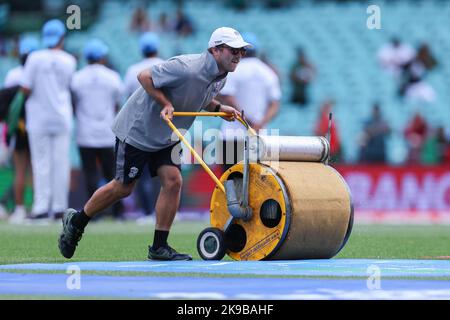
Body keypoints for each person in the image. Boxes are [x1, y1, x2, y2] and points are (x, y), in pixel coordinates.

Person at [58, 27, 249, 261]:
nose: (238, 55)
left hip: (167, 135)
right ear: (215, 50)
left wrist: (219, 109)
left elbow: (200, 96)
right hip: (138, 130)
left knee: (173, 181)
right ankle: (76, 222)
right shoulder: (187, 67)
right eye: (233, 50)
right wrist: (165, 103)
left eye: (241, 50)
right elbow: (145, 76)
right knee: (124, 187)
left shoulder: (221, 75)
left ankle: (159, 247)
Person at [20, 19, 76, 219]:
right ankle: (60, 207)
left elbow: (25, 88)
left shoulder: (35, 57)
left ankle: (41, 207)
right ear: (62, 37)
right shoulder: (70, 60)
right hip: (62, 117)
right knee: (61, 162)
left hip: (39, 118)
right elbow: (70, 86)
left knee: (41, 163)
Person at [71, 39, 124, 219]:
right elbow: (117, 104)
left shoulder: (77, 77)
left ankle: (94, 213)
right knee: (113, 175)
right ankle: (117, 212)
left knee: (90, 173)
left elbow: (74, 103)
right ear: (102, 57)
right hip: (107, 132)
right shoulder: (113, 76)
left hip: (85, 133)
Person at [218, 32, 281, 170]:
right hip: (259, 136)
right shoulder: (268, 72)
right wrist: (259, 124)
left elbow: (227, 97)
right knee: (257, 182)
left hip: (232, 134)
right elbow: (275, 104)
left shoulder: (234, 70)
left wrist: (245, 119)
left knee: (231, 179)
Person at [123, 32, 164, 222]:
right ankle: (168, 211)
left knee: (143, 175)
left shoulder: (132, 70)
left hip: (141, 127)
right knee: (168, 172)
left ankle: (148, 212)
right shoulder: (166, 64)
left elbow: (127, 99)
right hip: (164, 126)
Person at [1, 36, 39, 223]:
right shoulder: (40, 72)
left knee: (20, 170)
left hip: (19, 129)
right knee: (35, 171)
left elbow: (8, 107)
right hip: (36, 127)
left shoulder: (13, 74)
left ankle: (19, 210)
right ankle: (36, 208)